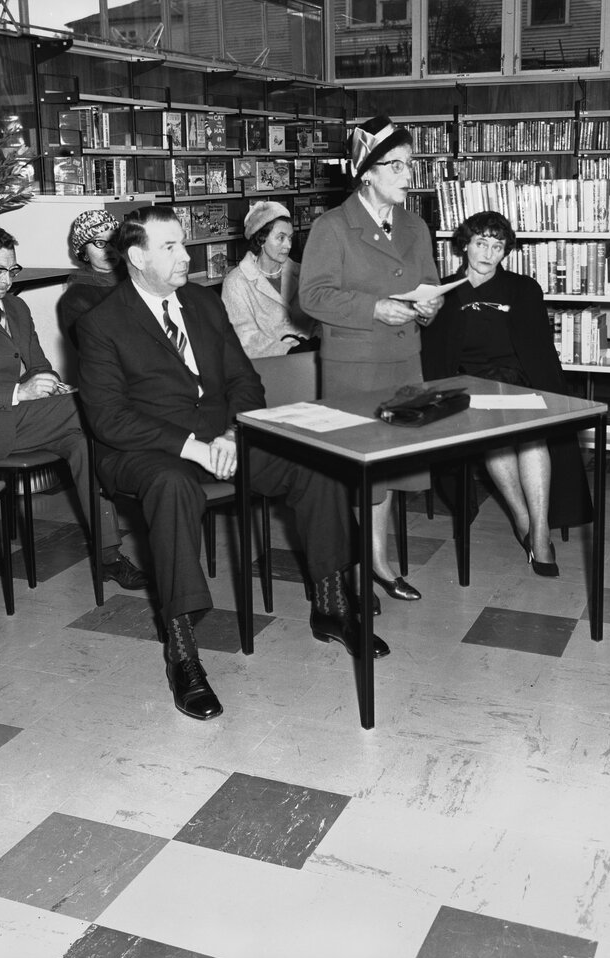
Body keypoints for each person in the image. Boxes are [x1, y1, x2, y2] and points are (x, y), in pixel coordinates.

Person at [76, 205, 387, 721]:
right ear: (135, 258)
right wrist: (193, 446)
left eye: (183, 243)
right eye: (170, 247)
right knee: (173, 487)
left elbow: (246, 380)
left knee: (315, 460)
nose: (185, 255)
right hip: (146, 450)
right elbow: (109, 419)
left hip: (222, 437)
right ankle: (182, 652)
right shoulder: (101, 323)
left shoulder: (201, 300)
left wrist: (231, 435)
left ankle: (331, 606)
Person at [0, 223, 145, 589]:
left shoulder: (16, 307)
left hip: (25, 420)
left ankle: (108, 556)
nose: (6, 279)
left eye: (12, 270)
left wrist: (50, 384)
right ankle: (153, 479)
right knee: (93, 407)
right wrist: (19, 392)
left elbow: (39, 364)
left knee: (85, 441)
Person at [299, 115, 440, 603]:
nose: (408, 176)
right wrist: (374, 307)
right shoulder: (332, 227)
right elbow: (312, 296)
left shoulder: (415, 225)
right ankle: (352, 572)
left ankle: (379, 564)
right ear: (367, 172)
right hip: (355, 366)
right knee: (358, 472)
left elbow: (429, 284)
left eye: (410, 165)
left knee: (389, 471)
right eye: (397, 166)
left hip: (403, 362)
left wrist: (430, 305)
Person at [420, 210, 595, 576]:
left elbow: (539, 352)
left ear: (505, 252)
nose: (487, 253)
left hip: (518, 381)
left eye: (497, 246)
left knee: (531, 439)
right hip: (470, 387)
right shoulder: (443, 293)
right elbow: (435, 353)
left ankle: (540, 531)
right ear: (464, 245)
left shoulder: (523, 288)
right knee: (498, 441)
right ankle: (522, 519)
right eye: (480, 243)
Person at [220, 199, 318, 358]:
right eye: (281, 238)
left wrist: (315, 342)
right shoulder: (236, 282)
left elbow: (320, 319)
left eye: (290, 237)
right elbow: (244, 338)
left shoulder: (303, 274)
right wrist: (287, 349)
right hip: (267, 368)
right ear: (262, 239)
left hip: (309, 361)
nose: (288, 245)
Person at [59, 208, 126, 346]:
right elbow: (89, 345)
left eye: (114, 242)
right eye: (99, 243)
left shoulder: (135, 277)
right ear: (84, 253)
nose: (110, 250)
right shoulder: (76, 296)